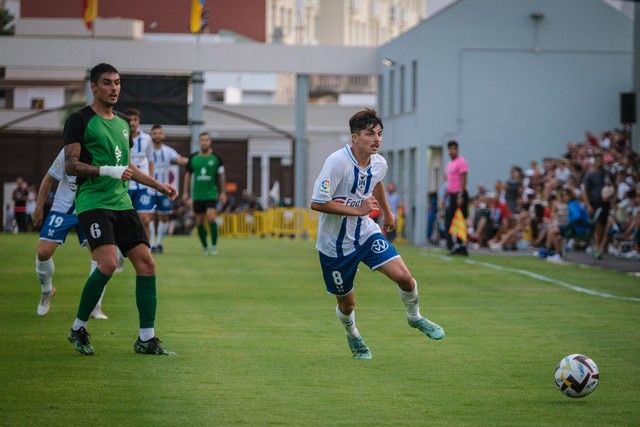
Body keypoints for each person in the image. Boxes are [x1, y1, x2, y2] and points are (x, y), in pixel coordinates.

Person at [310, 108, 444, 360]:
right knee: (347, 304)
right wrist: (357, 209)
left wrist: (387, 212)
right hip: (334, 246)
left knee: (405, 278)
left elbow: (376, 180)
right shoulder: (337, 162)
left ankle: (415, 318)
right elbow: (317, 202)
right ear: (355, 137)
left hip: (365, 233)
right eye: (370, 134)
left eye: (380, 134)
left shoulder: (379, 162)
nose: (377, 139)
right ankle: (353, 335)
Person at [63, 63, 177, 356]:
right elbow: (71, 165)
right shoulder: (79, 120)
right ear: (94, 87)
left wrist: (159, 186)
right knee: (109, 263)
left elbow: (127, 166)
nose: (114, 88)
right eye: (107, 83)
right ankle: (77, 328)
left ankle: (146, 338)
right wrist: (106, 171)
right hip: (92, 203)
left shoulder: (124, 123)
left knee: (147, 264)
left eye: (117, 83)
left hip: (122, 204)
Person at [31, 148, 109, 319]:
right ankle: (47, 291)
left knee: (101, 257)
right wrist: (38, 208)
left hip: (90, 208)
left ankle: (96, 306)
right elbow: (49, 178)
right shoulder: (69, 150)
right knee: (43, 252)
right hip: (62, 210)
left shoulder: (103, 148)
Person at [183, 132, 227, 256]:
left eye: (207, 140)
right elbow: (187, 175)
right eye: (202, 140)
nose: (204, 142)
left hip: (211, 193)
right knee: (199, 221)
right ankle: (204, 247)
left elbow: (221, 175)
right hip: (197, 194)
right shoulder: (193, 158)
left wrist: (223, 192)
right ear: (199, 142)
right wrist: (185, 192)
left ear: (210, 142)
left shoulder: (216, 158)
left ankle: (213, 246)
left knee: (211, 217)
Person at [149, 124, 187, 253]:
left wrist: (193, 160)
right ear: (151, 135)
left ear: (163, 135)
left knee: (163, 217)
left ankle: (159, 243)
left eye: (160, 133)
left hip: (163, 190)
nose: (157, 135)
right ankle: (151, 243)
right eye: (155, 133)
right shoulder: (146, 150)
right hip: (148, 188)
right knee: (148, 217)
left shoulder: (168, 151)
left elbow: (180, 160)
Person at [125, 108, 155, 243]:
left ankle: (147, 247)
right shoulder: (120, 137)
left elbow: (151, 160)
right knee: (123, 222)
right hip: (125, 185)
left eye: (135, 120)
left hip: (142, 186)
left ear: (139, 121)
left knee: (145, 219)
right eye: (129, 120)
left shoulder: (147, 139)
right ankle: (121, 252)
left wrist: (152, 181)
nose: (132, 122)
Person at [582, 153, 612, 259]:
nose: (600, 162)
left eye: (601, 160)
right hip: (595, 203)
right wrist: (588, 205)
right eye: (598, 160)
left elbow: (612, 187)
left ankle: (600, 247)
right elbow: (585, 191)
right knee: (597, 225)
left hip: (605, 203)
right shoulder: (590, 174)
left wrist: (612, 201)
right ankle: (598, 247)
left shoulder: (607, 173)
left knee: (603, 226)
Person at [444, 140, 469, 255]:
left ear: (457, 149)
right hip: (452, 194)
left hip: (459, 194)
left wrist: (461, 195)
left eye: (453, 148)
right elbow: (449, 182)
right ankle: (453, 245)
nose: (451, 151)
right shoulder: (449, 164)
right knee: (449, 220)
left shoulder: (461, 161)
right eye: (449, 149)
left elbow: (463, 178)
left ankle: (461, 245)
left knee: (459, 220)